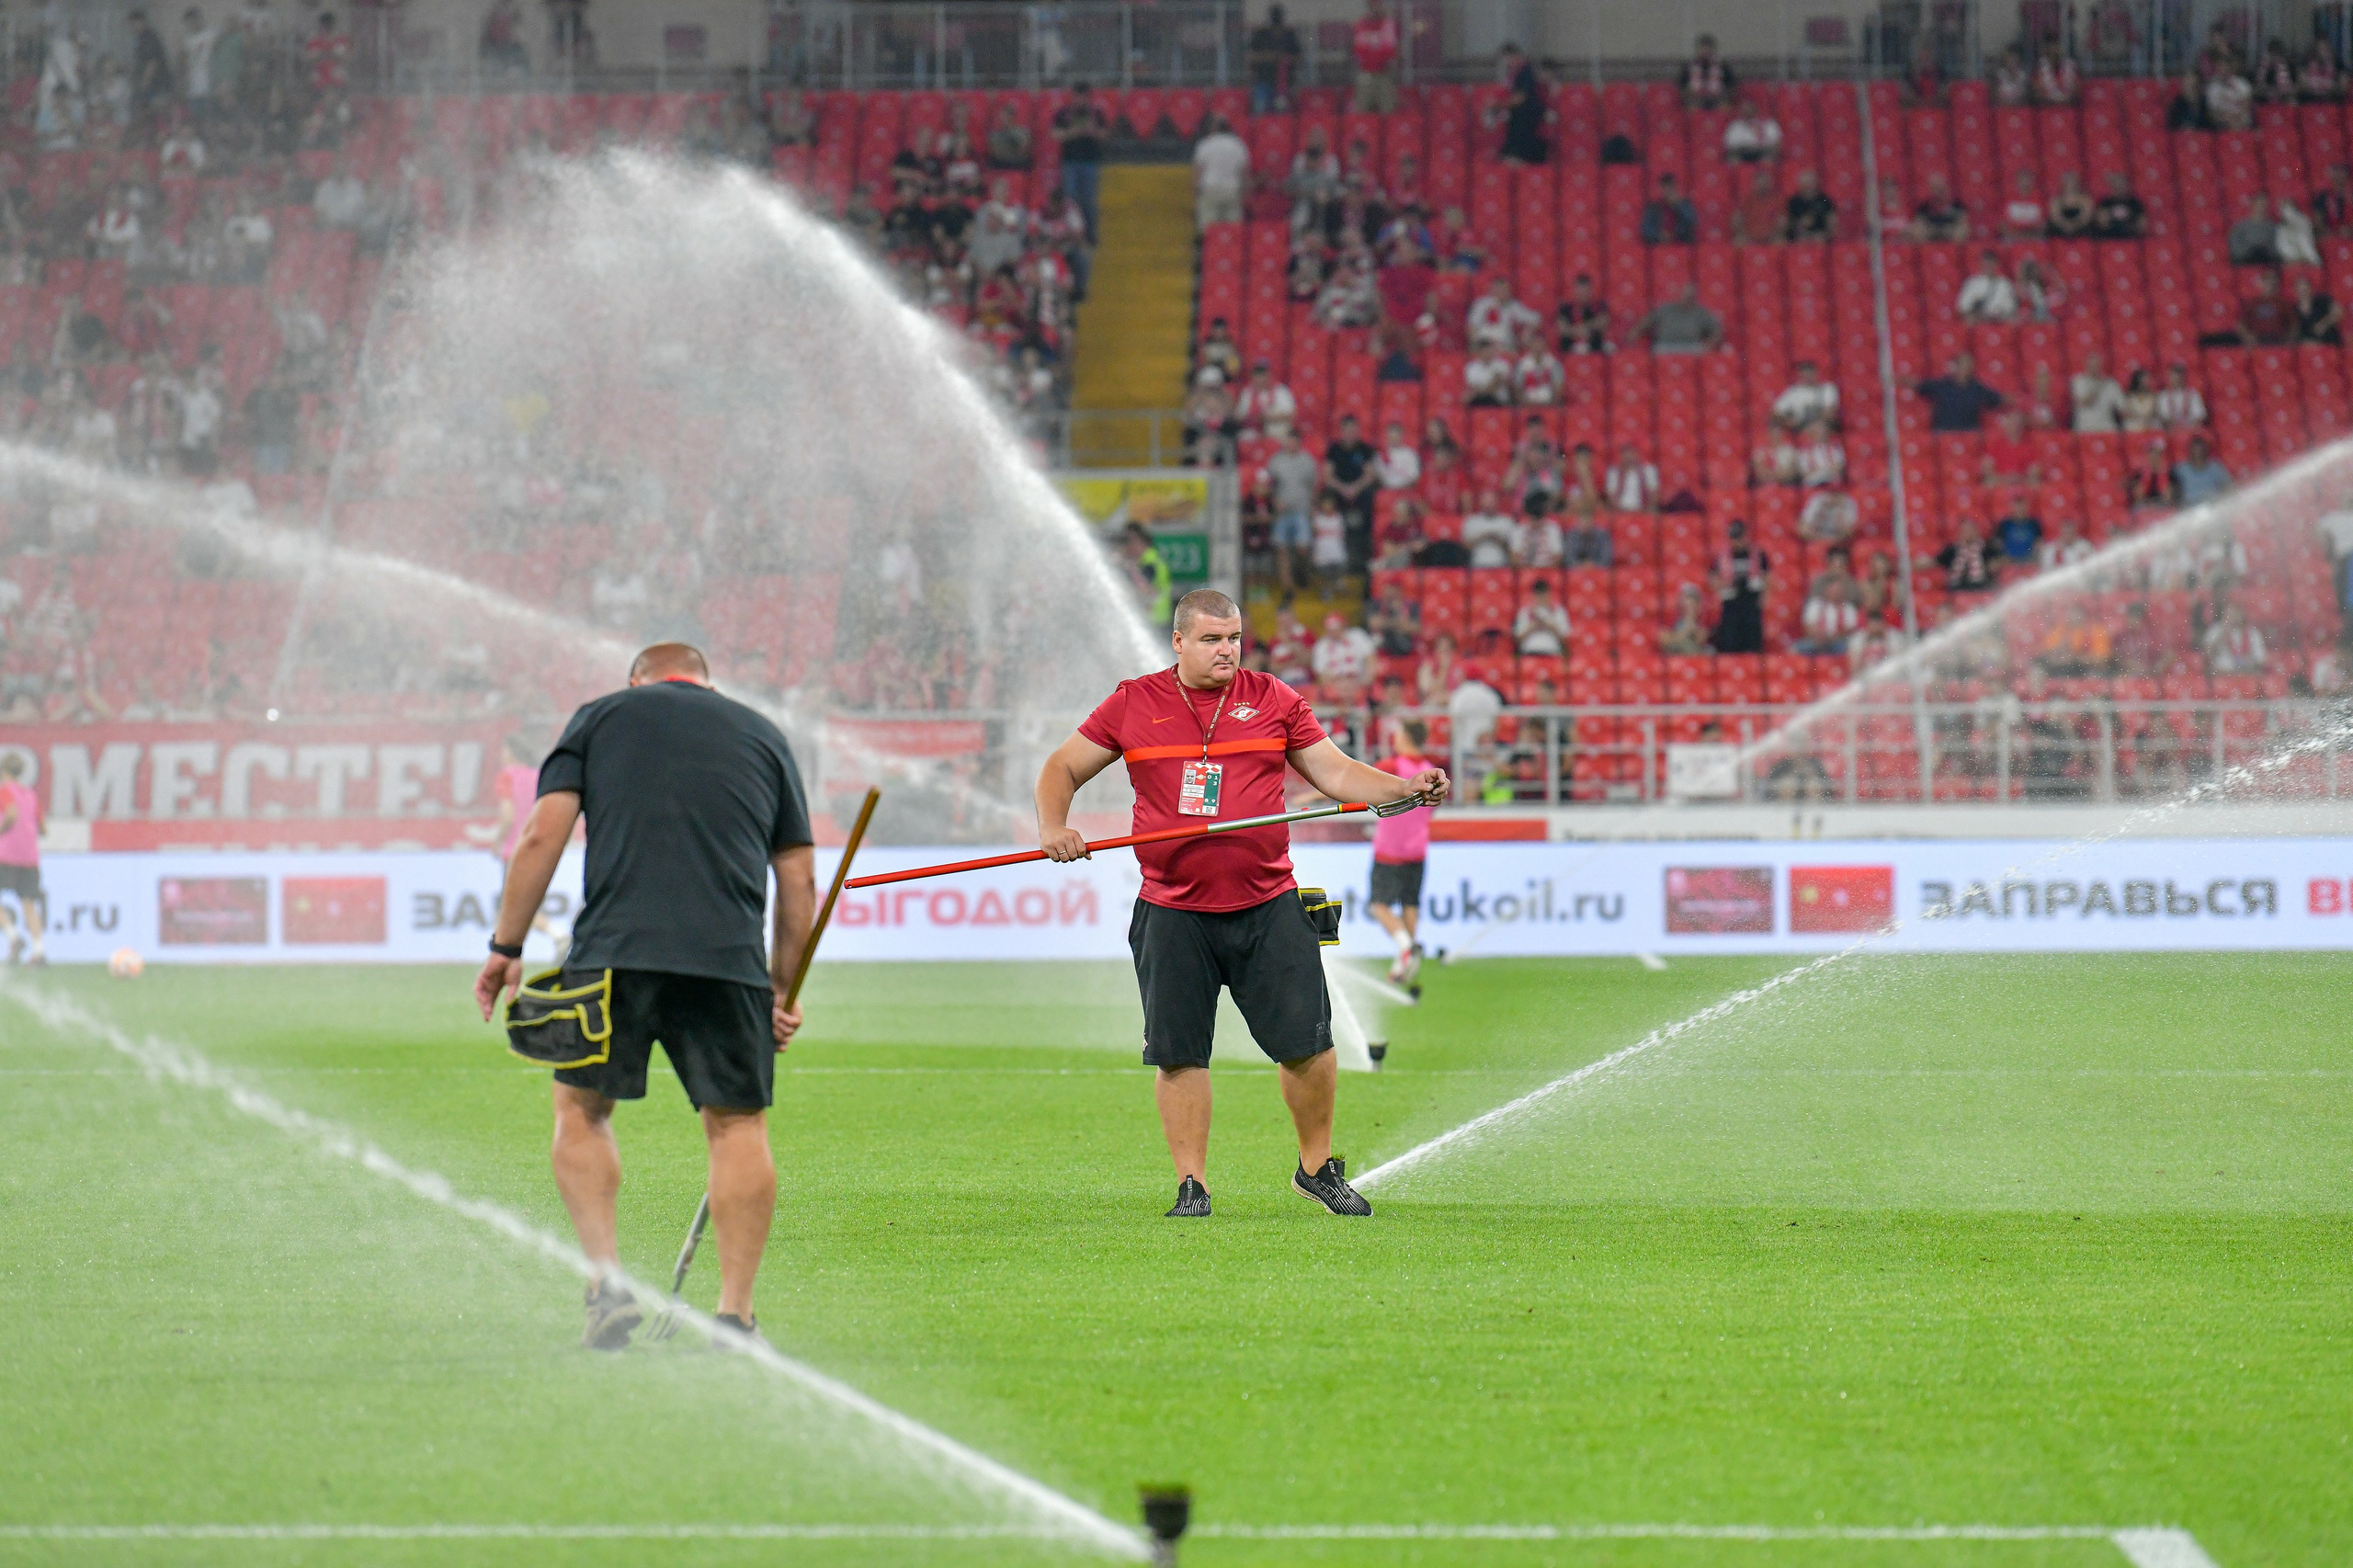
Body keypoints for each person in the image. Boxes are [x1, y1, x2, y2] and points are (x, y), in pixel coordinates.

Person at [1036, 590, 1448, 1219]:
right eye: (1211, 639)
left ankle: (1316, 1170)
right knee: (1179, 1054)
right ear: (1179, 642)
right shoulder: (1133, 701)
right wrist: (1053, 826)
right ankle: (1192, 1185)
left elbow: (1336, 773)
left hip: (1269, 903)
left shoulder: (1273, 697)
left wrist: (1404, 788)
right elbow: (1062, 767)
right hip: (1171, 911)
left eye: (1232, 638)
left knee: (1310, 1045)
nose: (1226, 650)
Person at [472, 644, 816, 1350]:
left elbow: (541, 835)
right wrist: (780, 987)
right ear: (708, 683)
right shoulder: (763, 735)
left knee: (582, 1110)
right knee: (737, 1126)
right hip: (726, 960)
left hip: (613, 956)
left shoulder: (599, 719)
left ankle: (606, 1284)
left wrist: (506, 947)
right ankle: (735, 1316)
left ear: (637, 680)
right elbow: (799, 877)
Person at [1367, 719, 1437, 993]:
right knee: (1410, 904)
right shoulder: (1431, 771)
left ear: (1405, 737)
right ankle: (1403, 965)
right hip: (1417, 848)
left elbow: (1362, 783)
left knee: (1379, 905)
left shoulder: (1393, 766)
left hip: (1390, 848)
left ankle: (1406, 946)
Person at [0, 752, 44, 965]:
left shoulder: (4, 791)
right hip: (30, 857)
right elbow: (42, 827)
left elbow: (11, 814)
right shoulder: (30, 795)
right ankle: (39, 952)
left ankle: (13, 936)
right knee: (29, 904)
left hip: (6, 854)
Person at [1052, 85, 1108, 243]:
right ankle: (1071, 235)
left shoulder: (1095, 113)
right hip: (1070, 162)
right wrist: (1074, 132)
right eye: (1076, 96)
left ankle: (1090, 235)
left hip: (1090, 162)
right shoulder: (1063, 113)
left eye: (1082, 97)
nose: (1079, 100)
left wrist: (1093, 132)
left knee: (1088, 200)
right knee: (1070, 199)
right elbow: (1055, 134)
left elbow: (1105, 134)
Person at [1915, 354, 2004, 432]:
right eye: (1963, 365)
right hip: (1944, 433)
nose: (1965, 368)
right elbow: (1920, 386)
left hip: (1969, 435)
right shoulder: (1940, 385)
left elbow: (1997, 399)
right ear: (1955, 366)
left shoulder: (1978, 388)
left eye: (1969, 366)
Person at [1191, 114, 1249, 229]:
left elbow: (1198, 170)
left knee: (1208, 227)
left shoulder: (1206, 144)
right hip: (1232, 188)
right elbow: (1244, 172)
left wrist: (1195, 191)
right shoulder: (1238, 144)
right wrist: (1245, 192)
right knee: (1233, 228)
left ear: (1213, 128)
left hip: (1210, 188)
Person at [1494, 42, 1547, 165]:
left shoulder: (1526, 73)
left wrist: (1499, 105)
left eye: (1508, 59)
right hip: (1517, 118)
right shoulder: (1514, 74)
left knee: (1521, 151)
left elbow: (1521, 97)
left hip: (1526, 117)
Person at [1246, 4, 1302, 114]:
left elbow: (1298, 57)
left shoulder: (1289, 35)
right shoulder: (1261, 34)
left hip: (1285, 82)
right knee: (1260, 112)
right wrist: (1269, 57)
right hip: (1263, 80)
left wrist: (1285, 58)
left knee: (1283, 114)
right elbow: (1250, 56)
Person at [1632, 284, 1722, 353]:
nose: (1686, 299)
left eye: (1690, 297)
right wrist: (1635, 332)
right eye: (1684, 296)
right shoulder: (1665, 309)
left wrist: (1709, 345)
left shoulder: (1701, 313)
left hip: (1691, 346)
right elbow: (1646, 322)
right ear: (1678, 295)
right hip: (1665, 345)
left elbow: (1717, 331)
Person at [1350, 0, 1400, 114]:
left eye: (1379, 5)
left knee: (1388, 109)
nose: (1376, 8)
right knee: (1362, 109)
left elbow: (1392, 50)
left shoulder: (1389, 24)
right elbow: (1358, 49)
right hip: (1366, 72)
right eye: (1373, 6)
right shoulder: (1361, 24)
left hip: (1385, 73)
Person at [1640, 174, 1697, 244]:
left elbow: (1693, 221)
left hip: (1681, 241)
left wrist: (1678, 205)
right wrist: (1658, 235)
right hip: (1659, 243)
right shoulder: (1653, 206)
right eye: (1665, 188)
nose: (1669, 191)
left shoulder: (1685, 204)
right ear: (1661, 189)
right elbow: (1645, 228)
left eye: (1671, 187)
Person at [2092, 172, 2147, 239]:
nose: (2119, 188)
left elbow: (2142, 223)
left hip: (2129, 238)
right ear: (2112, 187)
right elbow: (2101, 222)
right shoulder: (2105, 203)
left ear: (2126, 186)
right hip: (2109, 238)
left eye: (2121, 185)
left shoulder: (2134, 203)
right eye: (2116, 186)